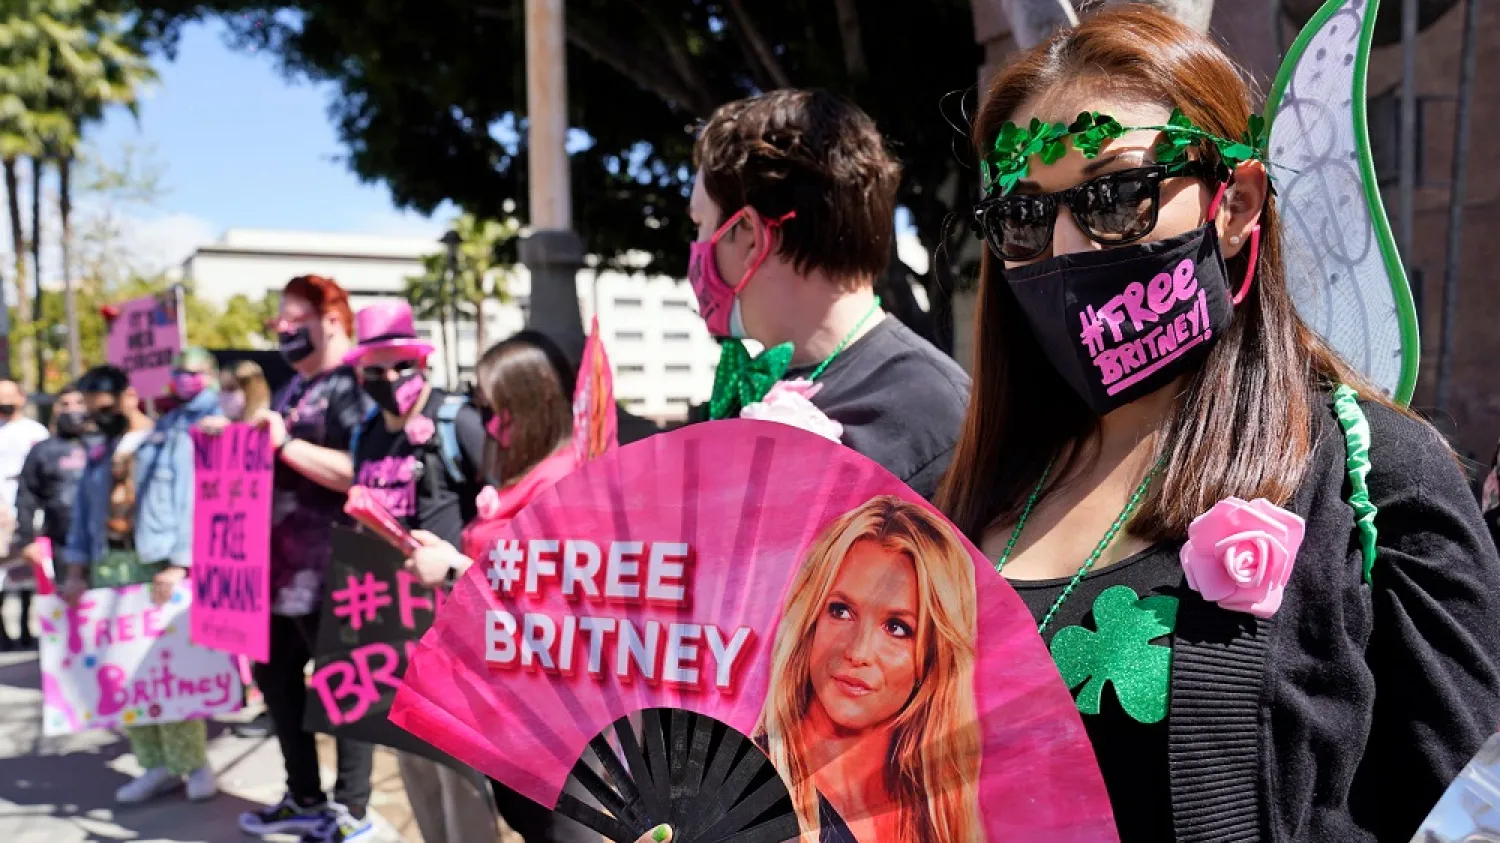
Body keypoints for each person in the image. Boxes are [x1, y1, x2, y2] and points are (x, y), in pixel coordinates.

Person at [934, 7, 1500, 842]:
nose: (1063, 249)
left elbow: (1464, 809)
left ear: (1234, 203)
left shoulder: (1372, 474)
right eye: (1022, 216)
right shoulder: (955, 494)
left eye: (1114, 196)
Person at [687, 89, 968, 500]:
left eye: (699, 225)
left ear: (748, 237)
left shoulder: (936, 415)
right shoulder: (755, 386)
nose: (695, 247)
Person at [342, 299, 509, 843]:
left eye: (401, 367)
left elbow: (504, 506)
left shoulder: (454, 420)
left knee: (457, 765)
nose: (389, 379)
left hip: (452, 625)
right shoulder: (366, 432)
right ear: (359, 374)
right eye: (376, 370)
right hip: (387, 620)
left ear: (424, 365)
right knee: (411, 757)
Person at [234, 275, 377, 843]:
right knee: (278, 683)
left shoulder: (357, 384)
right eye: (280, 323)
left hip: (333, 567)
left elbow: (360, 473)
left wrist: (285, 446)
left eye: (294, 320)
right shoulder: (292, 388)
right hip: (276, 573)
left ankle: (352, 808)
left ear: (333, 320)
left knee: (343, 690)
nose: (284, 332)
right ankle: (303, 795)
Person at [752, 495, 980, 842]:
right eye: (841, 611)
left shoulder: (938, 819)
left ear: (933, 658)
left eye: (897, 628)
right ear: (810, 621)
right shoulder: (744, 787)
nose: (858, 652)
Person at [59, 362, 221, 803]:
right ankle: (154, 764)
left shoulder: (168, 441)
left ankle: (193, 762)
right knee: (125, 672)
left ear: (129, 396)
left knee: (169, 669)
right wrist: (75, 571)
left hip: (155, 566)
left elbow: (189, 502)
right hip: (109, 566)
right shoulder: (97, 451)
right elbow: (82, 518)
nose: (98, 415)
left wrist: (180, 565)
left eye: (104, 406)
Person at [406, 330, 580, 587]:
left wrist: (453, 570)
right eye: (480, 407)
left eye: (494, 409)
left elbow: (545, 592)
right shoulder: (532, 470)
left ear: (535, 405)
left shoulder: (561, 481)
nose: (488, 423)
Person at [8, 385, 90, 647]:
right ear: (56, 409)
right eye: (65, 404)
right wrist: (26, 540)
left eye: (78, 402)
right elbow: (26, 497)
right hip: (64, 542)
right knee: (70, 603)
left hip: (106, 543)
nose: (73, 410)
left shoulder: (102, 444)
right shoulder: (43, 451)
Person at [0, 379, 50, 648]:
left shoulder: (35, 431)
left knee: (29, 569)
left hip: (30, 509)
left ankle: (26, 626)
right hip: (2, 510)